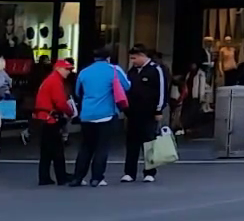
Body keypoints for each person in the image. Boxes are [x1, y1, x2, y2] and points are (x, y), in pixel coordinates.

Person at [71, 46, 128, 187]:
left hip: (87, 114)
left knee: (86, 147)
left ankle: (77, 177)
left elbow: (78, 92)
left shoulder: (84, 72)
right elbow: (127, 86)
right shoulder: (113, 70)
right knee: (102, 147)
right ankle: (97, 178)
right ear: (108, 58)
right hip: (106, 114)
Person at [123, 46, 168, 183]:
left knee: (149, 142)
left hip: (149, 112)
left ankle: (150, 172)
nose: (133, 61)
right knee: (132, 143)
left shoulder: (155, 70)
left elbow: (162, 90)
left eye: (134, 58)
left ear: (142, 55)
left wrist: (159, 109)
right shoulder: (132, 71)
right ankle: (129, 172)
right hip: (133, 112)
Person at [32, 59, 75, 186]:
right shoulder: (55, 81)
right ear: (58, 69)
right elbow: (60, 102)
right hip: (50, 119)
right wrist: (70, 112)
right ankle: (61, 177)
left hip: (43, 117)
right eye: (67, 69)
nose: (69, 72)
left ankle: (44, 177)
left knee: (46, 151)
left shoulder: (49, 80)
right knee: (57, 150)